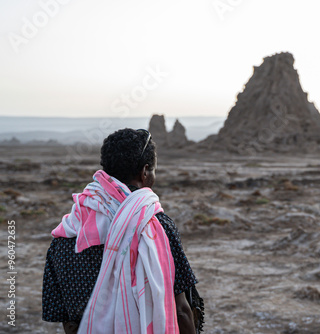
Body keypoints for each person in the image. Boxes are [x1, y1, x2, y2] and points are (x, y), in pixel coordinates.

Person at [42, 128, 203, 333]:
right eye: (153, 170)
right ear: (145, 172)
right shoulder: (156, 226)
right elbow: (181, 310)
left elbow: (68, 322)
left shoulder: (66, 233)